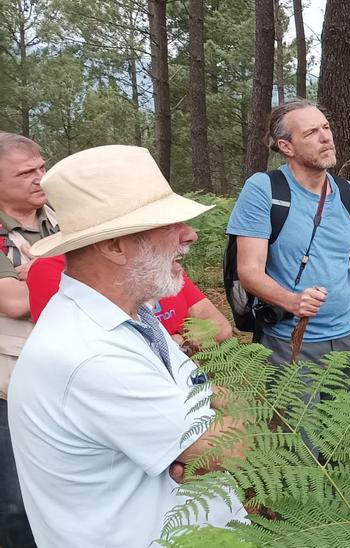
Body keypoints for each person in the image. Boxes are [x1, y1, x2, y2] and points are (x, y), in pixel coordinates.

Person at [8, 145, 245, 546]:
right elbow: (234, 450)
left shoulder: (133, 317)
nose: (190, 234)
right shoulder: (88, 355)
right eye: (168, 225)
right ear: (114, 246)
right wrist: (216, 436)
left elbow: (208, 399)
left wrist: (201, 436)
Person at [226, 99, 350, 368]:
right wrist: (293, 302)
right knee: (298, 413)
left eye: (326, 127)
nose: (326, 138)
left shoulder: (349, 194)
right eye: (311, 133)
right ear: (287, 147)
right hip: (288, 340)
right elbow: (249, 271)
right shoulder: (264, 190)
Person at [0, 132, 51, 548]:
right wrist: (77, 273)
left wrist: (38, 274)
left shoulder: (64, 214)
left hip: (69, 375)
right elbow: (14, 302)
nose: (40, 178)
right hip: (10, 384)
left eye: (41, 167)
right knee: (16, 501)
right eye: (26, 173)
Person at [26, 254, 234, 347]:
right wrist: (177, 343)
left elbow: (219, 326)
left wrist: (178, 343)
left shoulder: (159, 264)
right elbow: (88, 357)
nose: (189, 235)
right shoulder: (53, 271)